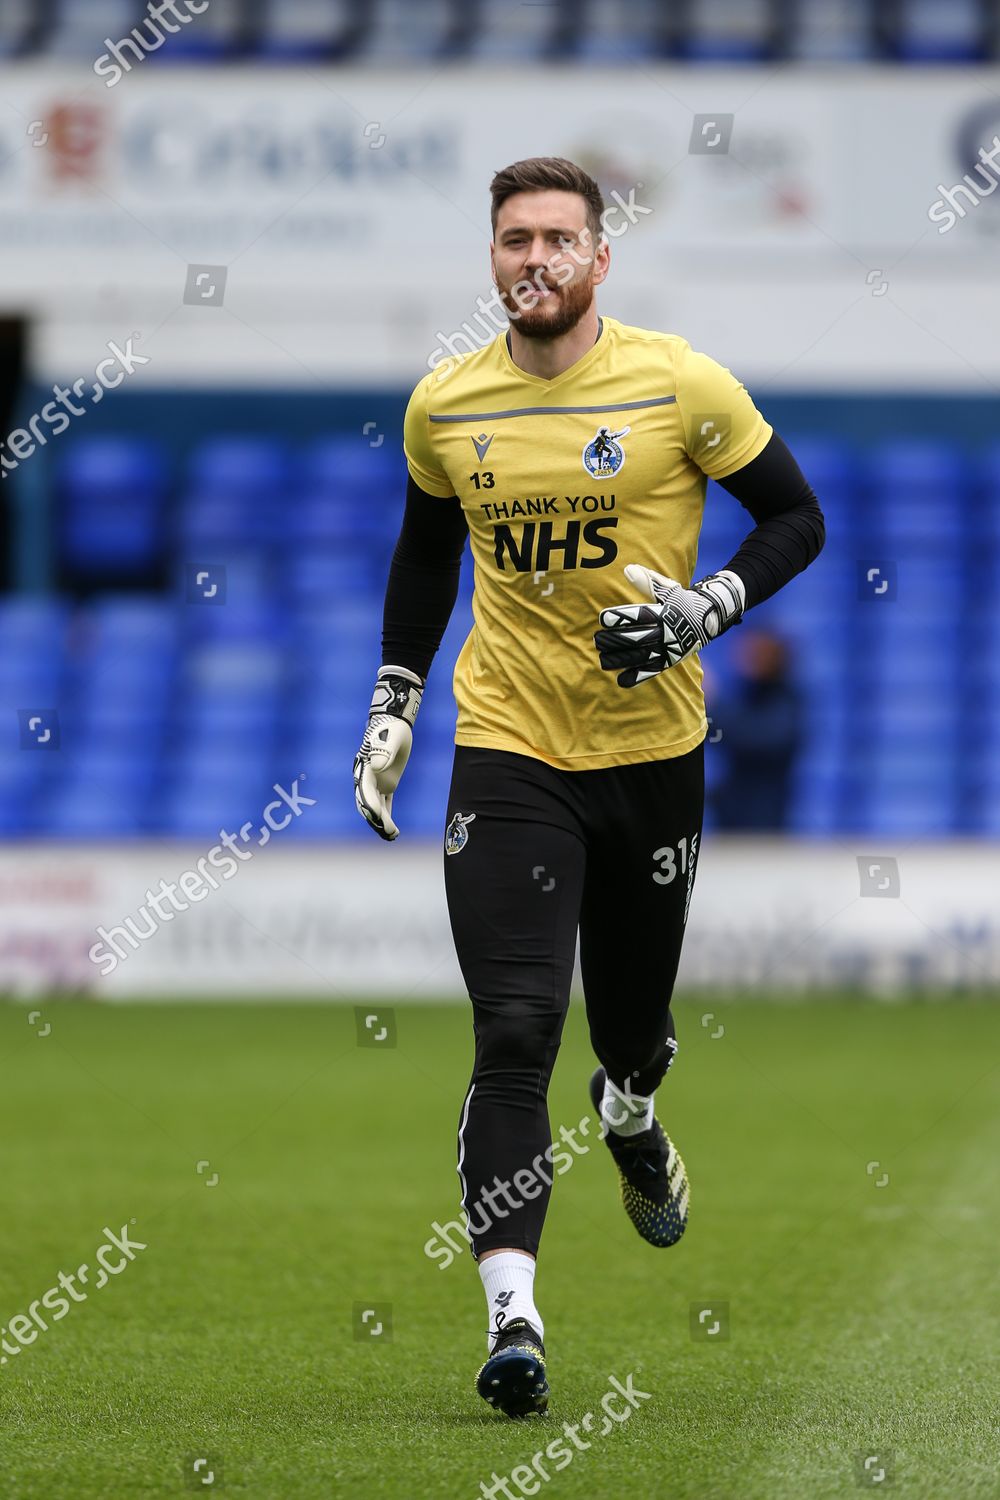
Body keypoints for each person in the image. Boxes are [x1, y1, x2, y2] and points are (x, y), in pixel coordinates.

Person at [353, 156, 824, 1418]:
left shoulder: (678, 381)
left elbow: (796, 517)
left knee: (628, 1035)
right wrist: (394, 700)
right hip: (507, 747)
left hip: (653, 756)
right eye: (515, 238)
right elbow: (421, 554)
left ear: (600, 258)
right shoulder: (446, 405)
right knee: (513, 1034)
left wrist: (707, 607)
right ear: (492, 257)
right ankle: (516, 1320)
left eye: (561, 237)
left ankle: (631, 1112)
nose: (536, 258)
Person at [712, 630, 804, 830]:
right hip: (731, 812)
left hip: (763, 816)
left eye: (756, 653)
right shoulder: (745, 693)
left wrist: (713, 704)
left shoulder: (786, 699)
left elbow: (760, 739)